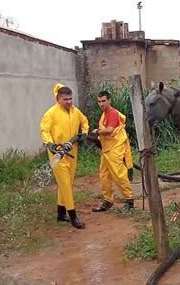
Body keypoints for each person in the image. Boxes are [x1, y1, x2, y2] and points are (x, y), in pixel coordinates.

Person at [40, 83, 89, 229]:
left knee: (67, 182)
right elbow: (45, 130)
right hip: (58, 154)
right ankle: (73, 216)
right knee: (66, 184)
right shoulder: (51, 113)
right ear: (58, 99)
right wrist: (50, 144)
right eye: (65, 99)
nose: (68, 102)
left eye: (70, 99)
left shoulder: (75, 111)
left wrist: (84, 133)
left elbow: (84, 121)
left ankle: (61, 214)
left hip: (72, 151)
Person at [91, 90, 135, 213]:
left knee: (119, 174)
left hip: (115, 148)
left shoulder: (113, 113)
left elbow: (110, 130)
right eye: (99, 101)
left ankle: (129, 200)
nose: (101, 104)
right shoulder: (104, 114)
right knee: (104, 175)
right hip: (106, 149)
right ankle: (108, 200)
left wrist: (97, 132)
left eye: (103, 101)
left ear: (109, 100)